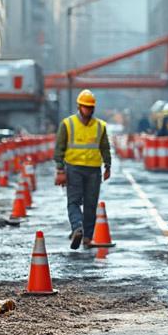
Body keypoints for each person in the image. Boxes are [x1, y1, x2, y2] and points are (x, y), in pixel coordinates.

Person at [54, 89, 112, 250]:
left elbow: (105, 147)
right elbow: (60, 148)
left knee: (90, 204)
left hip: (94, 170)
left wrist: (108, 166)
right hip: (74, 169)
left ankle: (86, 236)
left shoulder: (100, 126)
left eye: (90, 107)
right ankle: (78, 228)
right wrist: (60, 170)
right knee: (73, 201)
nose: (88, 110)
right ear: (79, 106)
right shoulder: (68, 124)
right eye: (85, 107)